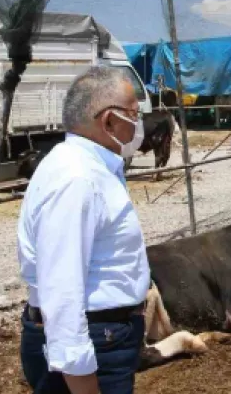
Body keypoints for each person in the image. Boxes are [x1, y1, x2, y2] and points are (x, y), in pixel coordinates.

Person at [18, 66, 150, 394]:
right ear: (108, 121)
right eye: (134, 114)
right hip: (96, 339)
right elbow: (61, 289)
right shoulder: (77, 178)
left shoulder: (87, 167)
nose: (139, 124)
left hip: (105, 334)